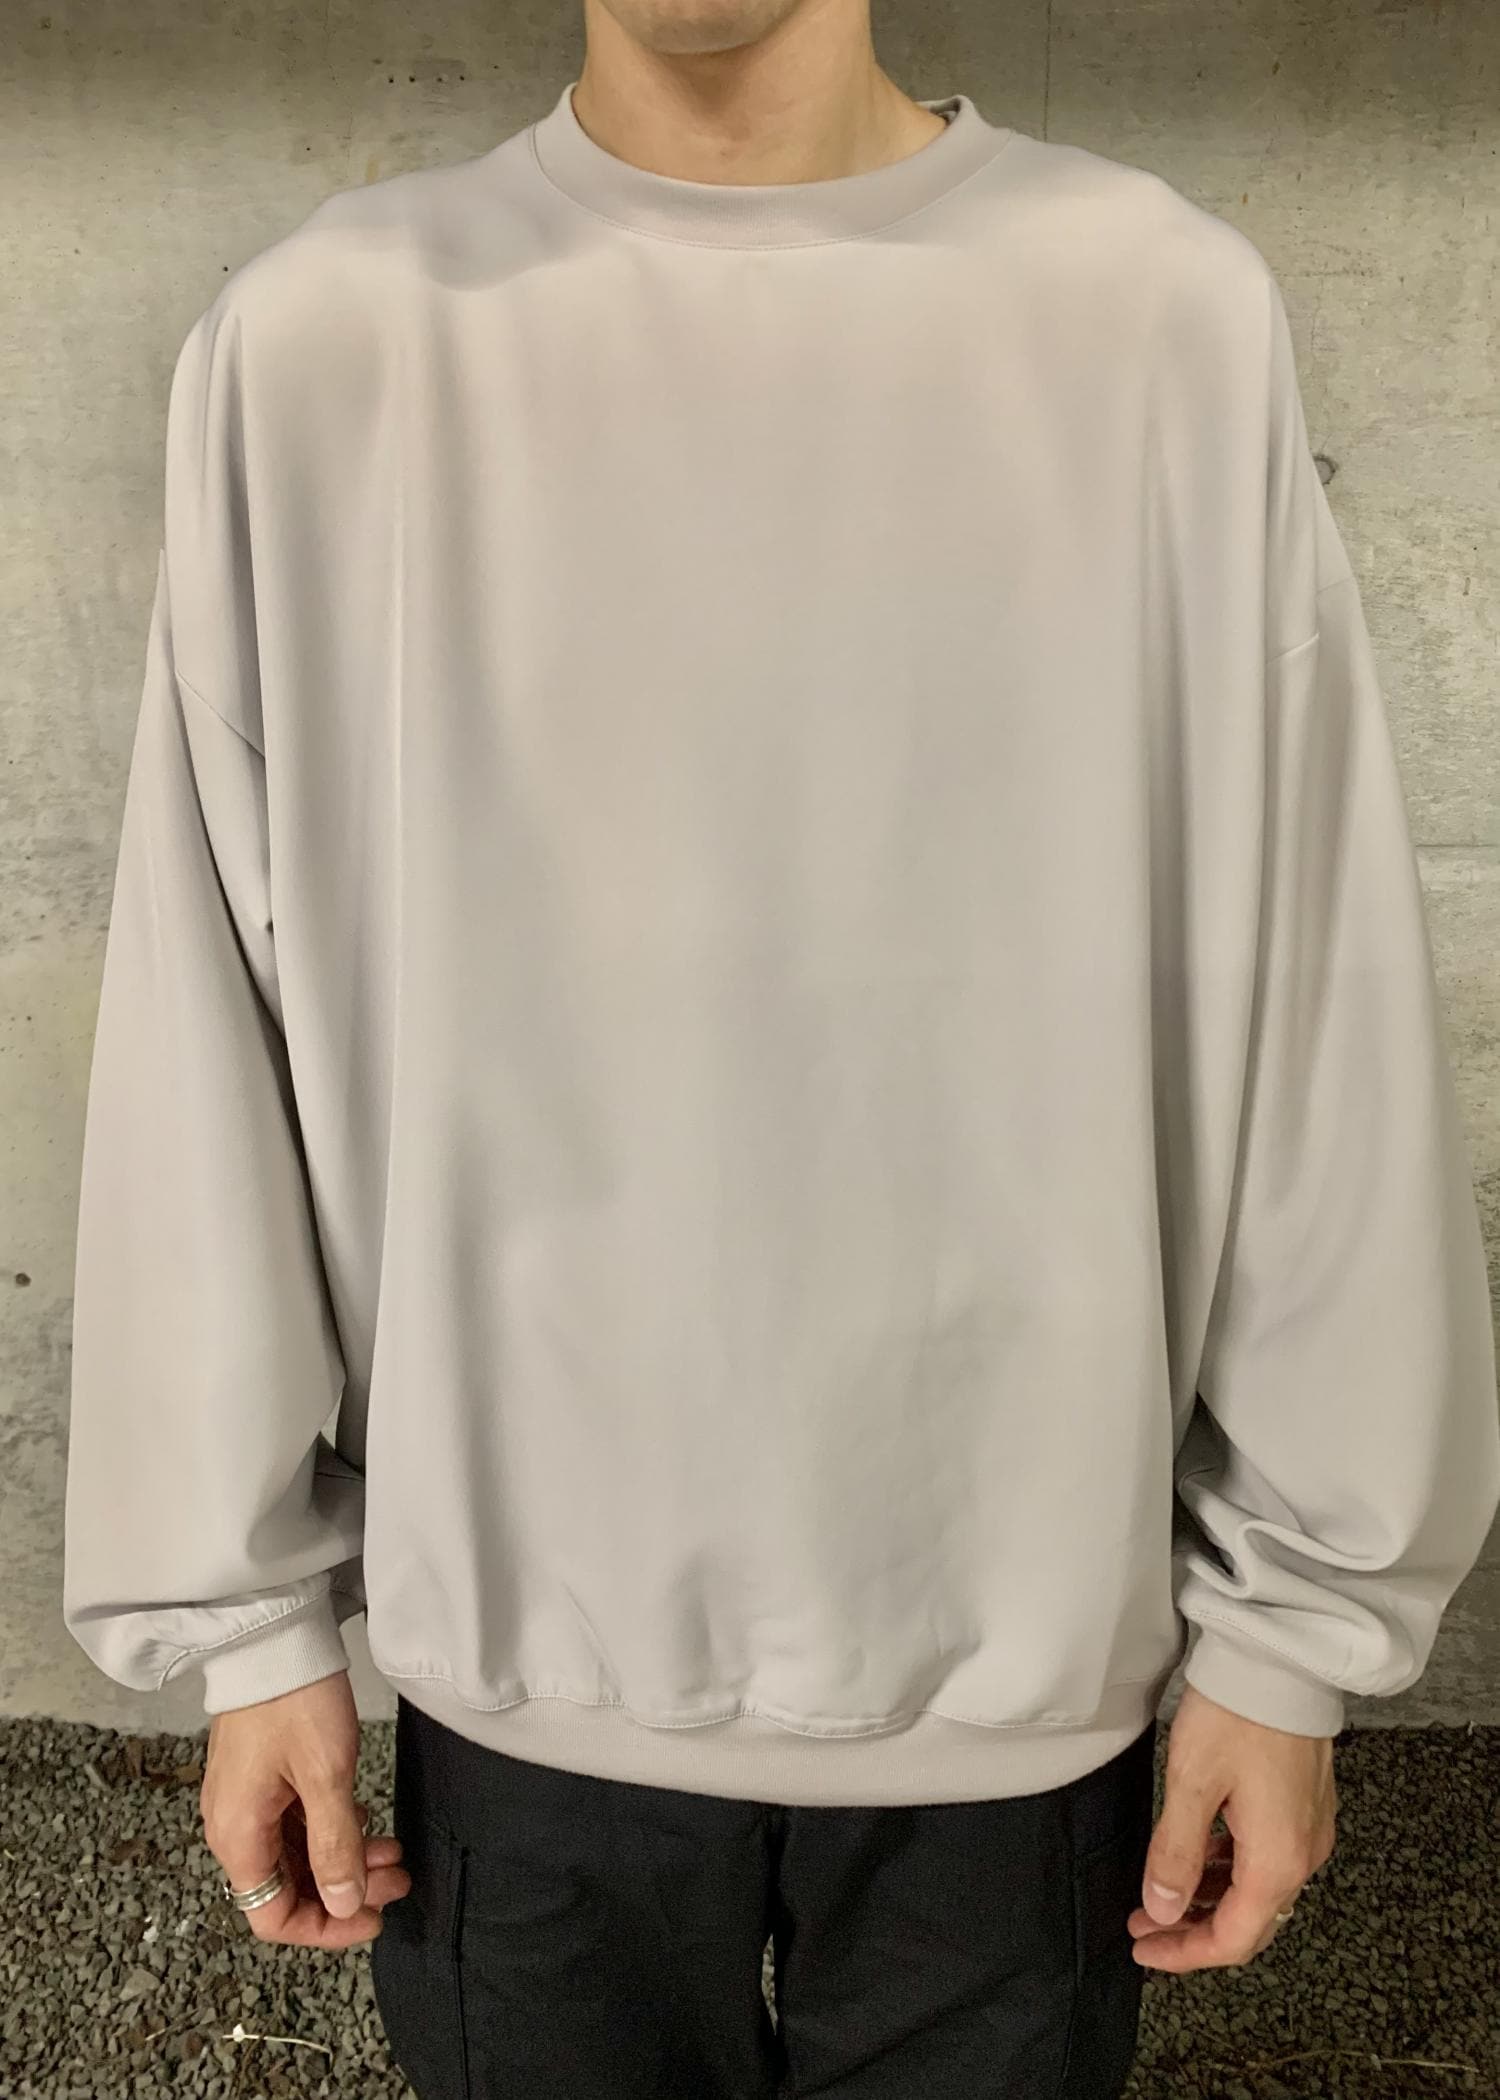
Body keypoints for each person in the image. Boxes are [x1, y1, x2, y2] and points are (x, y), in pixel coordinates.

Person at [62, 1, 1500, 2094]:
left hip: (1021, 1652)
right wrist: (247, 1621)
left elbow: (1310, 990)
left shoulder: (1152, 315)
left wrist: (1292, 1636)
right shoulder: (327, 343)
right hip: (528, 1668)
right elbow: (209, 1009)